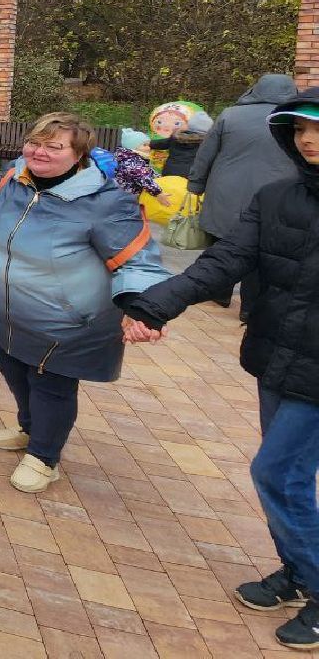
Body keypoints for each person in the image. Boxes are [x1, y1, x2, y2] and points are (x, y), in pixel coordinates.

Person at [122, 89, 319, 652]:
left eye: (318, 131)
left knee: (276, 474)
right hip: (277, 356)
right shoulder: (276, 196)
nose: (307, 140)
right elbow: (223, 262)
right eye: (300, 130)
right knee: (288, 478)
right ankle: (300, 572)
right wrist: (153, 304)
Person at [0, 112, 169, 494]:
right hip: (11, 309)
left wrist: (140, 310)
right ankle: (30, 428)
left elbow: (136, 258)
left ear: (79, 154)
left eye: (54, 146)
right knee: (10, 362)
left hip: (68, 320)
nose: (40, 152)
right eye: (35, 143)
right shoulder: (12, 179)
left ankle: (45, 456)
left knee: (50, 383)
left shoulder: (105, 201)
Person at [187, 74, 298, 321]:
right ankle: (250, 307)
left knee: (222, 242)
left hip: (226, 190)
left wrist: (195, 184)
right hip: (275, 193)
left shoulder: (230, 115)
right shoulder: (293, 119)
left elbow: (206, 153)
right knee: (261, 248)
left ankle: (220, 291)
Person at [151, 109, 213, 179]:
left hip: (169, 173)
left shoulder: (175, 138)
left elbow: (159, 144)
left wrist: (148, 143)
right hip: (191, 176)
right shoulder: (208, 143)